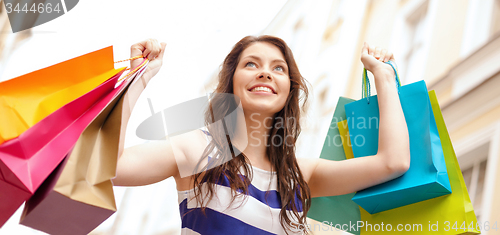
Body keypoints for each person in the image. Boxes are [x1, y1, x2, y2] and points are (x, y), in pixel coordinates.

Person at [112, 36, 410, 235]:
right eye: (251, 64)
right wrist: (138, 77)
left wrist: (383, 77)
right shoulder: (200, 150)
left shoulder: (299, 175)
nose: (265, 73)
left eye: (278, 68)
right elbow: (112, 167)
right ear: (231, 83)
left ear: (288, 91)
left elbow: (393, 162)